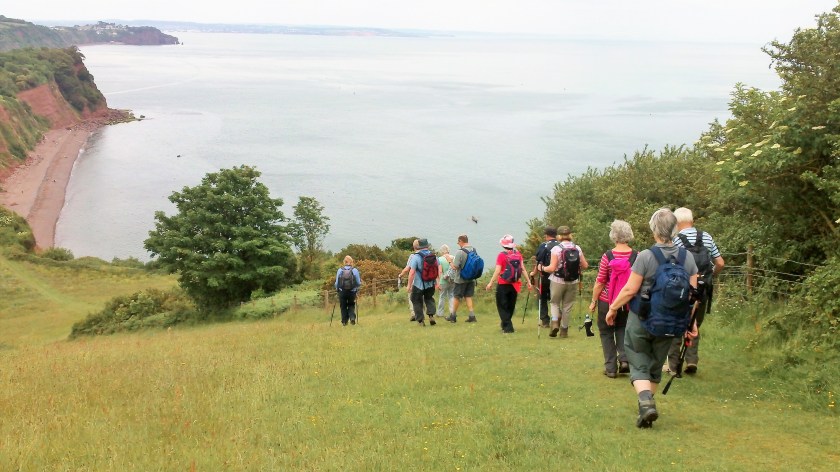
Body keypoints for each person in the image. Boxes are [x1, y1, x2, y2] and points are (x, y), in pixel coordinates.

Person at [606, 208, 699, 428]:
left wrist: (613, 308)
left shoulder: (646, 256)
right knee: (656, 365)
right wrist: (691, 323)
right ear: (675, 229)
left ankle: (646, 403)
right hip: (672, 321)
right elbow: (692, 296)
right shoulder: (688, 258)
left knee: (638, 359)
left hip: (642, 318)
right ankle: (646, 409)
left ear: (654, 230)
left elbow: (630, 289)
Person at [666, 207, 725, 375]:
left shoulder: (676, 240)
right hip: (703, 288)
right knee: (695, 323)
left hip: (681, 288)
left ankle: (673, 365)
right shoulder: (706, 237)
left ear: (676, 223)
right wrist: (710, 275)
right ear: (691, 221)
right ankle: (691, 360)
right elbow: (720, 263)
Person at [588, 220, 636, 378]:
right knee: (623, 328)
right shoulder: (637, 256)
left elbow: (600, 281)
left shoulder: (607, 256)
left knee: (606, 332)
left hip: (607, 300)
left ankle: (610, 368)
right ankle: (624, 360)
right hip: (627, 301)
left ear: (613, 235)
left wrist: (594, 301)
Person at [539, 226, 588, 337]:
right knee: (567, 306)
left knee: (554, 303)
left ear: (559, 236)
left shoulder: (556, 249)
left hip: (557, 280)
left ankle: (555, 323)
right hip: (573, 281)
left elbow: (552, 268)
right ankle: (564, 331)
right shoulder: (577, 248)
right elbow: (585, 265)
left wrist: (542, 268)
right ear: (570, 235)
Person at [485, 235, 533, 333]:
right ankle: (505, 324)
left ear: (503, 245)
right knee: (511, 306)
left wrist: (490, 283)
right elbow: (523, 269)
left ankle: (508, 328)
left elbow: (498, 270)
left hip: (503, 283)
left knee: (502, 306)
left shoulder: (501, 255)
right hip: (515, 284)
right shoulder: (518, 254)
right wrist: (528, 281)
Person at [406, 238, 440, 326]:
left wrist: (409, 285)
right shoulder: (434, 256)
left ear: (419, 246)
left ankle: (420, 320)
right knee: (429, 298)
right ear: (427, 246)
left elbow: (412, 272)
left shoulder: (416, 257)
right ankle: (431, 316)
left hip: (418, 284)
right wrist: (437, 283)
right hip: (431, 283)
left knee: (415, 299)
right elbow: (438, 270)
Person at [532, 226, 559, 328]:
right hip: (558, 277)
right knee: (555, 299)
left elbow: (539, 261)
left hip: (545, 276)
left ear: (546, 235)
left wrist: (533, 273)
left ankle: (545, 321)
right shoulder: (560, 245)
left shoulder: (544, 245)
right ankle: (557, 318)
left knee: (542, 297)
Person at [447, 234, 478, 323]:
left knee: (456, 297)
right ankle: (472, 316)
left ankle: (453, 316)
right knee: (468, 296)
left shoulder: (460, 252)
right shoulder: (474, 250)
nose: (458, 244)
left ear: (461, 241)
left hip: (460, 279)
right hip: (471, 278)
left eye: (458, 242)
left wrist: (449, 261)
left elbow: (455, 267)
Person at [334, 255, 362, 326]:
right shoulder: (354, 270)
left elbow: (336, 283)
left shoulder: (340, 270)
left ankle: (344, 321)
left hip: (342, 291)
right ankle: (352, 318)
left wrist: (337, 289)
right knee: (351, 305)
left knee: (343, 306)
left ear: (344, 262)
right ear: (351, 262)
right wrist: (356, 288)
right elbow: (358, 283)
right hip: (352, 291)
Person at [399, 239, 420, 321]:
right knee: (421, 297)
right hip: (424, 281)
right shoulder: (426, 255)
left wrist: (401, 275)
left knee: (411, 297)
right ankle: (421, 312)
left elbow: (407, 268)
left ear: (414, 247)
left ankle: (414, 314)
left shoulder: (413, 256)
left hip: (414, 280)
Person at [437, 244, 456, 319]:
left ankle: (440, 313)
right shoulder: (453, 257)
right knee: (451, 295)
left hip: (443, 280)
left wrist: (438, 282)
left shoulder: (439, 259)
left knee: (442, 296)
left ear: (441, 251)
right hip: (452, 280)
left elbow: (440, 271)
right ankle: (452, 312)